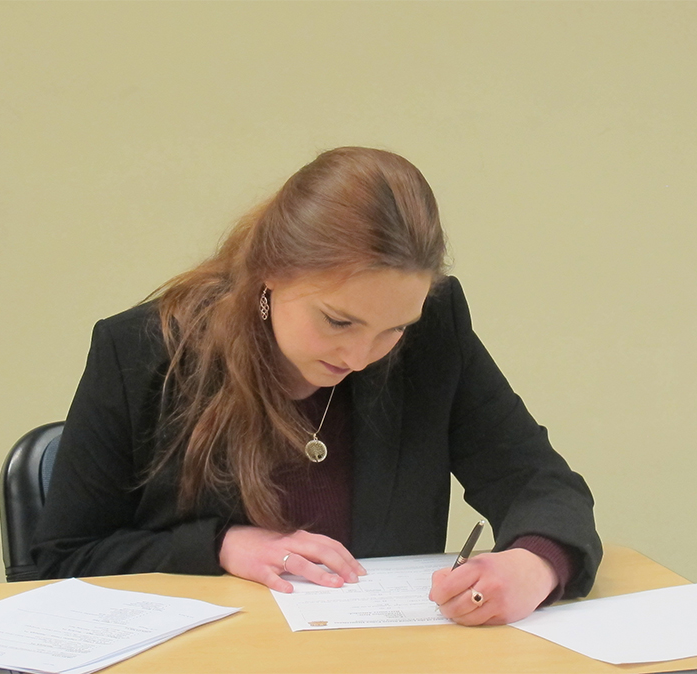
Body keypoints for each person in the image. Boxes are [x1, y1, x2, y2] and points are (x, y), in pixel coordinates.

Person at [32, 147, 602, 625]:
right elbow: (61, 559)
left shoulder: (434, 334)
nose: (360, 356)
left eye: (394, 329)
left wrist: (535, 564)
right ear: (271, 272)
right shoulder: (144, 353)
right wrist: (222, 545)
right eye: (338, 321)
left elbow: (539, 482)